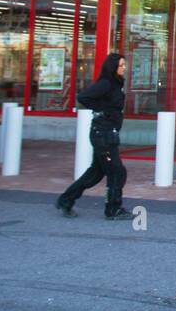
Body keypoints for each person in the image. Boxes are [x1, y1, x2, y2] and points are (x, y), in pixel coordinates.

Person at [56, 53, 132, 220]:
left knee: (96, 173)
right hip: (103, 134)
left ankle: (66, 200)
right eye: (121, 65)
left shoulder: (115, 84)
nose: (124, 67)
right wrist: (102, 110)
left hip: (107, 133)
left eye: (124, 65)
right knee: (117, 172)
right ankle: (112, 208)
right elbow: (83, 97)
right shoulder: (106, 83)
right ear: (113, 67)